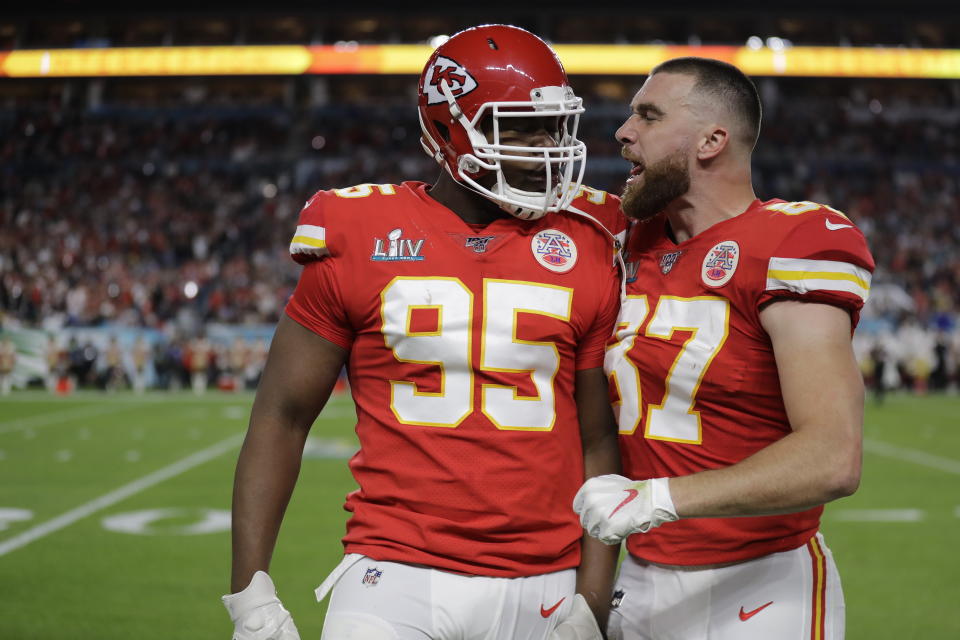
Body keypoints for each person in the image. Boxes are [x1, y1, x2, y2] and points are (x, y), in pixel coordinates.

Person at [223, 25, 626, 640]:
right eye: (518, 126)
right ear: (448, 131)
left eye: (553, 127)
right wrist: (251, 588)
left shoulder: (590, 240)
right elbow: (280, 416)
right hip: (394, 574)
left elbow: (599, 440)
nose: (546, 147)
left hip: (545, 577)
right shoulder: (359, 229)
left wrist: (592, 601)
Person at [573, 57, 875, 639]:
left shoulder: (794, 240)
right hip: (634, 579)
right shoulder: (621, 240)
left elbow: (833, 457)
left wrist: (657, 498)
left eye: (648, 115)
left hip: (759, 585)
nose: (623, 131)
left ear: (713, 140)